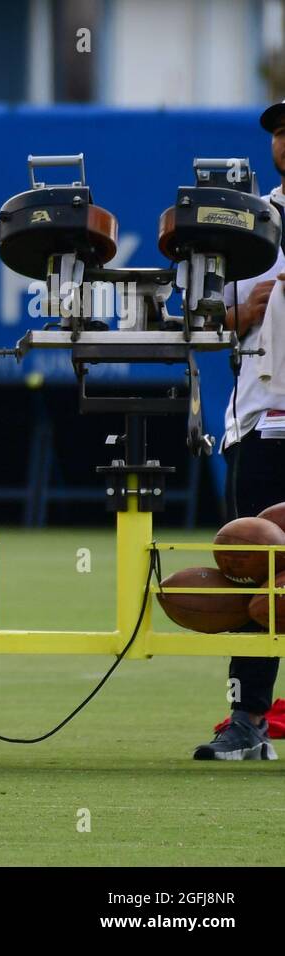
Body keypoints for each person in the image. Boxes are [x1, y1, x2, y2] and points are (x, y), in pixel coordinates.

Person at [194, 102, 285, 761]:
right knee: (253, 571)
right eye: (280, 131)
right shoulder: (255, 220)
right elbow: (209, 317)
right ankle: (250, 722)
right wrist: (243, 310)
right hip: (265, 419)